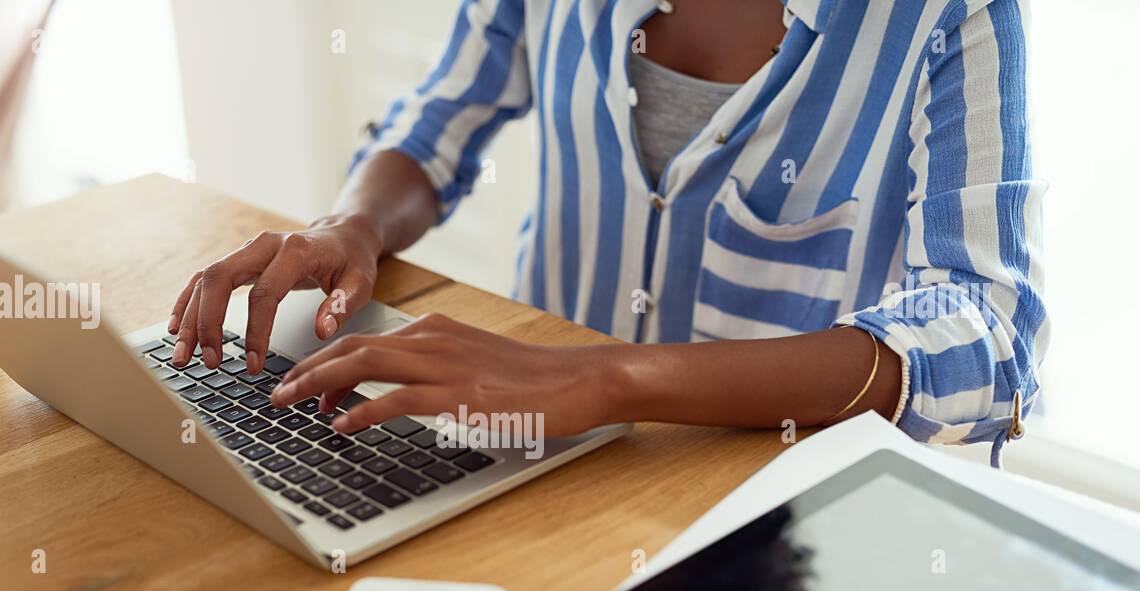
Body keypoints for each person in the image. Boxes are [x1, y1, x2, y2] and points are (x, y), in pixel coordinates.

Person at [169, 0, 1044, 465]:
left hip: (759, 515)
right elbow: (435, 125)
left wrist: (611, 379)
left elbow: (992, 343)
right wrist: (352, 225)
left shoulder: (948, 12)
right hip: (534, 461)